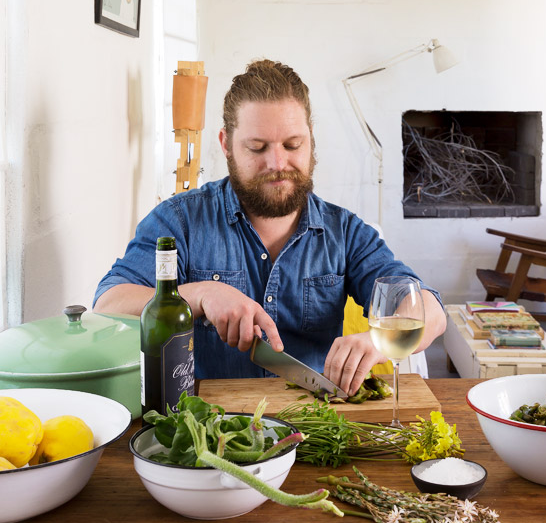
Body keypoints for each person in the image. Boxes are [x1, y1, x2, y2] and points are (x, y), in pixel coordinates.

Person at [94, 59, 446, 395]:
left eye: (293, 145)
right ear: (226, 145)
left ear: (310, 141)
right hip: (207, 430)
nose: (278, 164)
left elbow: (430, 310)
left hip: (315, 426)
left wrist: (379, 340)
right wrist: (199, 295)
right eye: (257, 147)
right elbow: (108, 304)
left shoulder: (347, 233)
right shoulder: (180, 221)